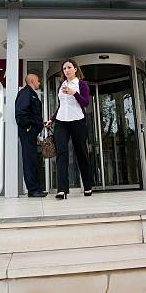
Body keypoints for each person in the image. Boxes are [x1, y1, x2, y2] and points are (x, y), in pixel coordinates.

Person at [45, 59, 93, 199]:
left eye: (69, 67)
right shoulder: (62, 85)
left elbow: (85, 102)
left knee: (81, 154)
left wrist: (74, 93)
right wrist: (52, 119)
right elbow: (61, 106)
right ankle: (62, 190)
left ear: (75, 69)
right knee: (62, 154)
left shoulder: (81, 84)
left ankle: (87, 186)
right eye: (64, 68)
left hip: (77, 121)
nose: (66, 70)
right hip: (61, 123)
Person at [15, 73, 48, 198]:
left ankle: (35, 189)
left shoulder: (31, 94)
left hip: (32, 133)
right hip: (27, 131)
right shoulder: (25, 93)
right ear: (32, 80)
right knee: (29, 160)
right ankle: (33, 190)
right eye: (38, 80)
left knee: (33, 160)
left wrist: (35, 134)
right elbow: (20, 112)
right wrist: (28, 126)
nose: (39, 83)